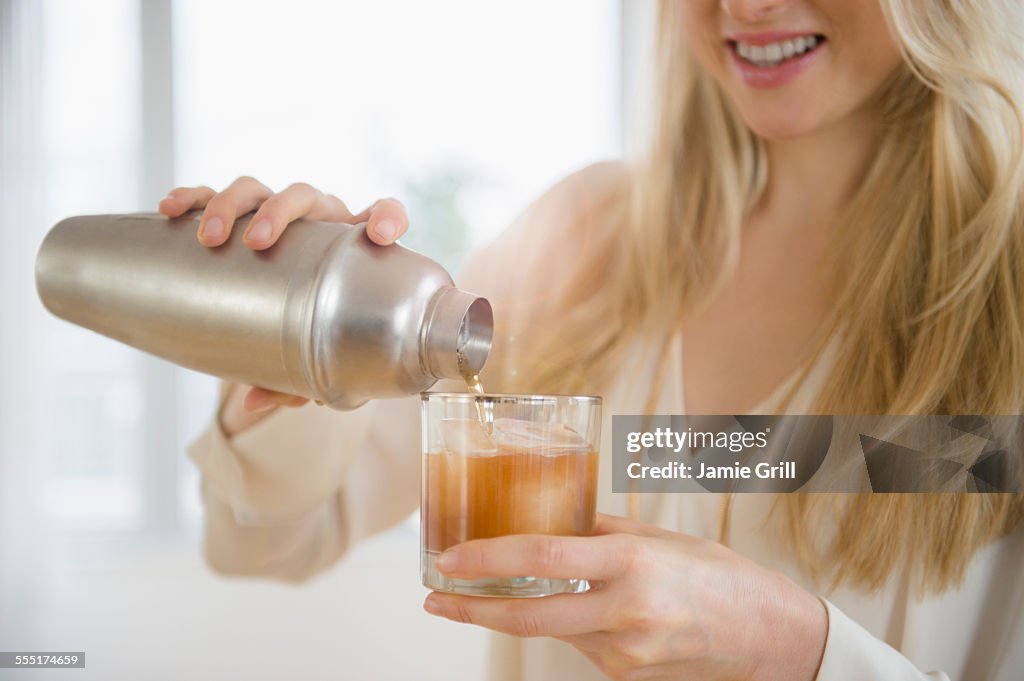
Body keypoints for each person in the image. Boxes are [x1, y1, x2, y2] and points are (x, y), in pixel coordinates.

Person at [161, 0, 1024, 679]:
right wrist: (290, 339)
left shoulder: (1006, 297)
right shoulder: (585, 238)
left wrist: (799, 652)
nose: (747, 4)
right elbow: (270, 540)